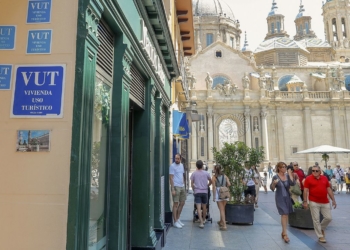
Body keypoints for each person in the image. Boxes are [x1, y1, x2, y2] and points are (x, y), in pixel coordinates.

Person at [303, 165, 337, 243]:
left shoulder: (324, 178)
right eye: (313, 171)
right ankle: (320, 236)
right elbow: (305, 191)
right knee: (316, 220)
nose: (314, 172)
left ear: (320, 171)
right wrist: (305, 202)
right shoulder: (308, 179)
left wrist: (333, 200)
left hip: (325, 201)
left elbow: (329, 189)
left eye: (316, 171)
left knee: (328, 218)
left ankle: (321, 228)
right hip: (313, 201)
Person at [270, 162, 295, 243]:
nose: (284, 168)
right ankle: (285, 234)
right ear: (279, 168)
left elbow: (292, 183)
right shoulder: (275, 177)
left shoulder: (287, 175)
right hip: (280, 198)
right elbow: (272, 188)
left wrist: (290, 173)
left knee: (286, 214)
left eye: (285, 167)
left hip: (287, 197)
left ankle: (283, 231)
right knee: (284, 214)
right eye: (283, 167)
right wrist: (274, 184)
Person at [190, 160, 212, 229]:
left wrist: (194, 189)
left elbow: (192, 184)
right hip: (205, 192)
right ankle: (204, 219)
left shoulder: (194, 173)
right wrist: (207, 185)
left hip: (197, 192)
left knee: (198, 208)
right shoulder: (206, 173)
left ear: (196, 166)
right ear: (202, 166)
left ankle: (201, 222)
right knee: (204, 207)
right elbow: (210, 181)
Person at [169, 154, 186, 229]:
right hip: (176, 186)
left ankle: (178, 218)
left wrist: (183, 184)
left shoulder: (181, 165)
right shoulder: (172, 166)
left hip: (182, 186)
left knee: (182, 202)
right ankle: (175, 221)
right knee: (176, 204)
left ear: (181, 159)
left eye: (178, 158)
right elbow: (171, 178)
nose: (176, 160)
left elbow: (182, 175)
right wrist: (172, 188)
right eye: (175, 158)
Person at [212, 164, 231, 231]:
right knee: (223, 208)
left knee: (221, 209)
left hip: (218, 193)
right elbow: (229, 184)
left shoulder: (214, 177)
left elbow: (214, 187)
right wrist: (225, 187)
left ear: (215, 169)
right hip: (225, 192)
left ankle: (224, 225)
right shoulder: (225, 176)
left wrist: (214, 197)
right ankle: (221, 221)